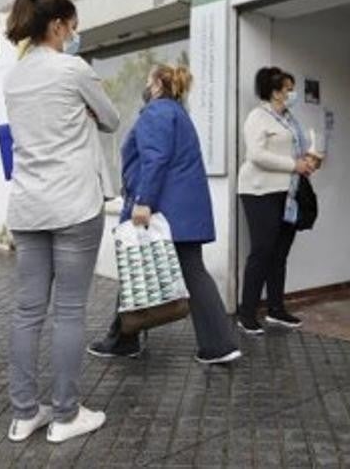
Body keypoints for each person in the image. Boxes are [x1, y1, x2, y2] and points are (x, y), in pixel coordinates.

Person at [3, 0, 121, 444]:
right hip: (74, 203)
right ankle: (67, 415)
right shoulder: (73, 69)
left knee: (27, 311)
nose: (74, 35)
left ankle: (24, 413)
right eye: (72, 27)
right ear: (56, 26)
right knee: (69, 311)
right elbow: (110, 119)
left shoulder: (14, 78)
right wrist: (87, 110)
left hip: (28, 206)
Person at [87, 64, 242, 364]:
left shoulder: (156, 113)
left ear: (158, 84)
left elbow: (154, 160)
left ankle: (214, 345)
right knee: (183, 271)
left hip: (164, 209)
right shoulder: (177, 113)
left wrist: (144, 201)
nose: (145, 86)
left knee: (142, 268)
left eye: (147, 80)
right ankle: (127, 338)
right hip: (182, 209)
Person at [237, 67, 320, 335]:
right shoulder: (257, 117)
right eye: (288, 89)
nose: (292, 94)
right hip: (259, 191)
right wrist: (293, 165)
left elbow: (301, 151)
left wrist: (309, 160)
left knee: (280, 253)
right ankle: (246, 313)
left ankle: (276, 309)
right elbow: (256, 155)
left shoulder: (290, 120)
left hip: (288, 193)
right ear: (274, 92)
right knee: (262, 250)